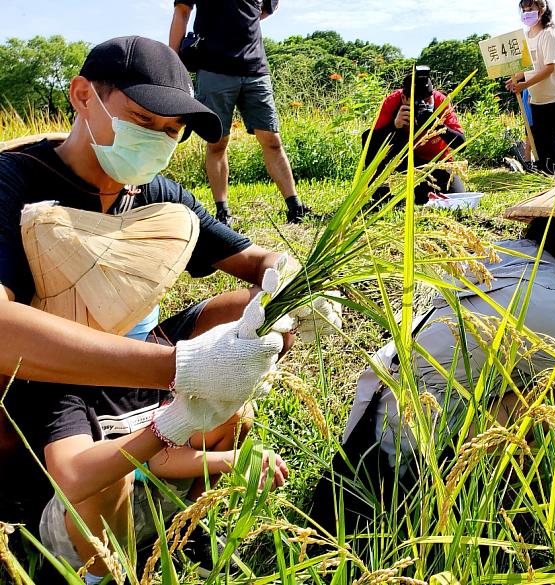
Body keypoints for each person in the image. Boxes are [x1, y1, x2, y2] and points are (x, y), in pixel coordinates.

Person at [0, 37, 333, 578]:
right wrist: (178, 368)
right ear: (83, 95)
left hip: (135, 358)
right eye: (140, 119)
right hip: (43, 376)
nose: (154, 140)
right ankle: (27, 498)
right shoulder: (16, 182)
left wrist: (289, 283)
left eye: (170, 132)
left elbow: (254, 259)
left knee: (248, 313)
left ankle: (183, 516)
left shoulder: (160, 195)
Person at [310, 135, 555, 533]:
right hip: (398, 474)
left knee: (546, 385)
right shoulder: (549, 304)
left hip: (370, 434)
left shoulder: (505, 256)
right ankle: (467, 518)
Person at [169, 0, 312, 225]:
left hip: (255, 68)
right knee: (217, 142)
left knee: (272, 140)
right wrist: (173, 60)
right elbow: (182, 12)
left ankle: (295, 207)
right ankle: (223, 213)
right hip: (214, 68)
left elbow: (267, 8)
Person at [363, 66, 466, 205]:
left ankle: (420, 191)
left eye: (428, 101)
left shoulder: (440, 101)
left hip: (436, 161)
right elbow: (371, 142)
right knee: (369, 136)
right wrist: (394, 126)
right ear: (405, 98)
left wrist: (438, 126)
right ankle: (380, 194)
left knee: (454, 199)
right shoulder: (393, 102)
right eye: (418, 102)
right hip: (404, 157)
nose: (424, 105)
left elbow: (461, 144)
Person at [505, 0, 555, 175]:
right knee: (539, 137)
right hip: (537, 96)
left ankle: (553, 174)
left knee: (552, 138)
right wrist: (515, 78)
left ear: (541, 10)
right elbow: (526, 65)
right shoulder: (526, 36)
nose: (527, 13)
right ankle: (543, 172)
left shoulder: (548, 35)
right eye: (524, 9)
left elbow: (549, 68)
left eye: (531, 9)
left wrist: (525, 85)